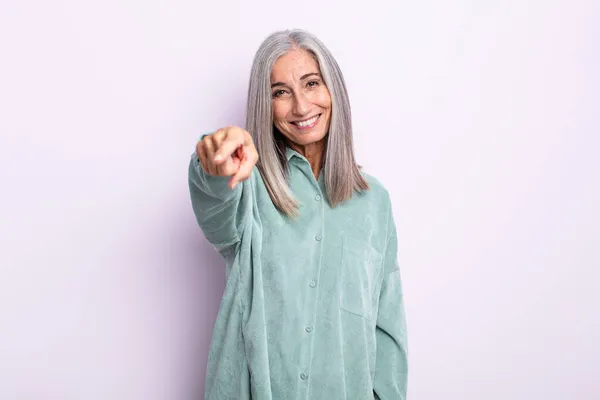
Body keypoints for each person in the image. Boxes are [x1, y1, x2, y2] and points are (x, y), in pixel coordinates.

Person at [188, 28, 408, 400]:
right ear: (265, 105)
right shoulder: (248, 187)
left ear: (332, 89)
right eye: (280, 92)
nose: (302, 107)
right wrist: (214, 162)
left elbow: (386, 329)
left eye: (311, 83)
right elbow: (215, 210)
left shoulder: (375, 203)